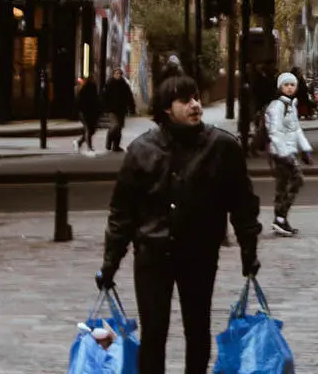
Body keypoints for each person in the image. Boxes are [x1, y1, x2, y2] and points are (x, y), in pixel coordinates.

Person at [98, 75, 261, 374]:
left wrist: (248, 249)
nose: (195, 105)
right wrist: (110, 262)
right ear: (167, 109)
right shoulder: (142, 150)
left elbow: (242, 203)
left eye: (196, 98)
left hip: (199, 252)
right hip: (152, 253)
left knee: (197, 328)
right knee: (154, 332)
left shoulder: (222, 147)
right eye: (185, 101)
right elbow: (123, 211)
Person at [266, 72, 314, 237]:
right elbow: (275, 132)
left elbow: (296, 130)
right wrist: (284, 154)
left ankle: (280, 221)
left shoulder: (291, 105)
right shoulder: (277, 106)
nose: (289, 87)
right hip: (280, 153)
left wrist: (306, 149)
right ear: (280, 87)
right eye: (286, 85)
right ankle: (280, 218)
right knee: (297, 180)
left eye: (292, 85)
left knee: (282, 187)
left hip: (288, 151)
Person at [101, 68, 136, 153]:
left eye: (120, 74)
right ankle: (109, 141)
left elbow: (129, 97)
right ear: (113, 74)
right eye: (117, 73)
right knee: (115, 126)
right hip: (112, 110)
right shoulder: (109, 84)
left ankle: (116, 146)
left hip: (121, 110)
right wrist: (104, 108)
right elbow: (104, 97)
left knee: (119, 128)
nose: (119, 75)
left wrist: (132, 108)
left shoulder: (124, 85)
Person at [76, 77, 102, 154]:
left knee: (91, 130)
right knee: (88, 129)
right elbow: (79, 103)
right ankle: (89, 147)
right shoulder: (84, 91)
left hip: (90, 113)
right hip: (85, 113)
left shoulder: (91, 92)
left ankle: (79, 142)